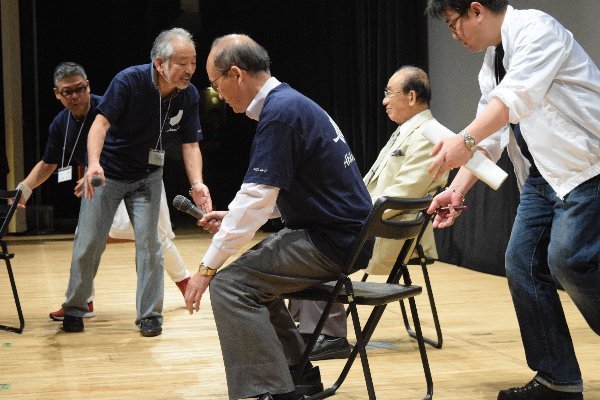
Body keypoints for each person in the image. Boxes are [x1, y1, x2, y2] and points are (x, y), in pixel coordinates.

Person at [425, 1, 600, 399]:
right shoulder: (494, 60)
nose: (454, 35)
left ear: (476, 10)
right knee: (522, 264)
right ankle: (557, 380)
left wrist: (463, 139)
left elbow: (511, 103)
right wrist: (457, 189)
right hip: (542, 177)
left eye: (454, 24)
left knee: (569, 260)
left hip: (587, 168)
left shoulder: (538, 30)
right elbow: (490, 136)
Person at [184, 34, 374, 400]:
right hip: (344, 236)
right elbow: (281, 192)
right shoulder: (292, 104)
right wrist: (233, 216)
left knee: (229, 285)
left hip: (330, 241)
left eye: (215, 83)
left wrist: (206, 269)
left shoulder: (281, 114)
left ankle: (271, 391)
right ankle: (297, 375)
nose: (217, 93)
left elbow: (256, 198)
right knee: (253, 280)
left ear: (236, 74)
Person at [289, 66, 450, 361]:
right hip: (373, 222)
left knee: (317, 246)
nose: (384, 100)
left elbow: (403, 196)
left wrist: (344, 214)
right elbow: (367, 187)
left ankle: (330, 335)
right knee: (307, 231)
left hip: (387, 231)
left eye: (389, 93)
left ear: (411, 96)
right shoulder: (408, 130)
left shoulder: (430, 136)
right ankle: (311, 329)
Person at [13, 62, 193, 321]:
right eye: (68, 92)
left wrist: (98, 168)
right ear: (57, 94)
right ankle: (83, 300)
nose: (75, 96)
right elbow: (48, 163)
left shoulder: (110, 105)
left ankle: (185, 283)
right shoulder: (60, 124)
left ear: (88, 86)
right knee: (85, 238)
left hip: (138, 176)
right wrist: (25, 189)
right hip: (101, 183)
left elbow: (135, 142)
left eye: (80, 89)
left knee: (155, 237)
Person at [60, 28, 211, 337]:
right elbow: (100, 124)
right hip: (109, 175)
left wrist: (197, 183)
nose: (189, 70)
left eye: (193, 62)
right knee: (88, 243)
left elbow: (190, 144)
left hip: (148, 176)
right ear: (160, 63)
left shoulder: (189, 95)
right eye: (182, 63)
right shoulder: (129, 81)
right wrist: (93, 164)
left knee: (151, 245)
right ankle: (75, 307)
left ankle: (150, 316)